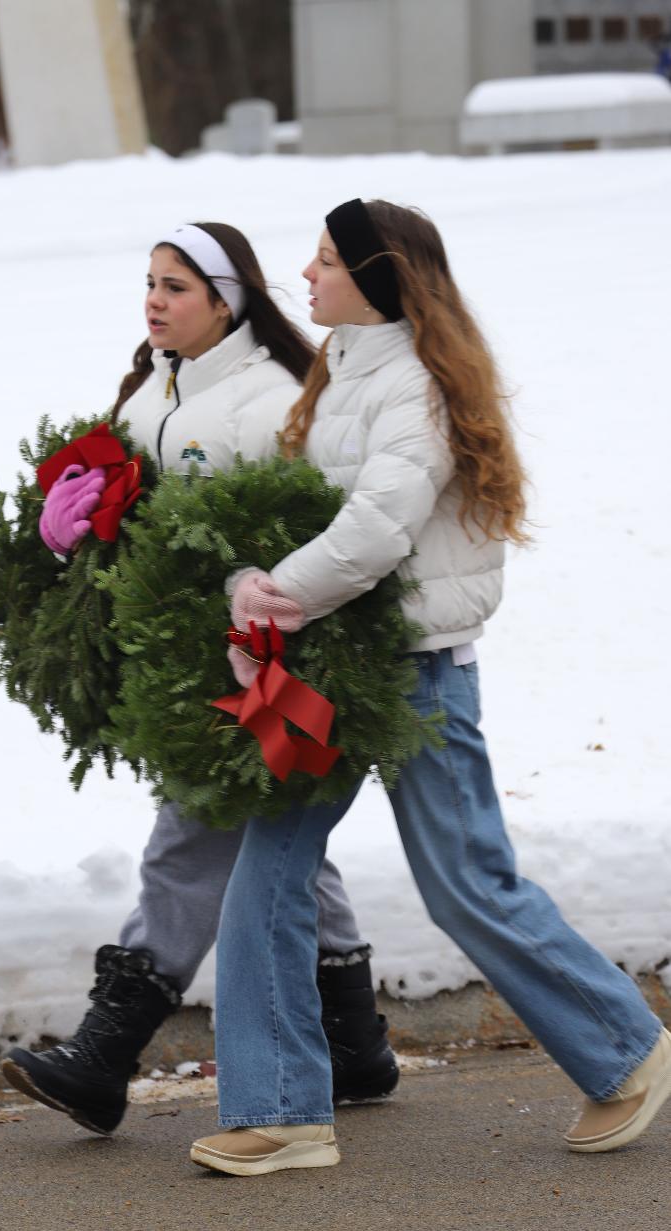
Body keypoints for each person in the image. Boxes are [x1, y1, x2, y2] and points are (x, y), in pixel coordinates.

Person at [189, 199, 671, 1176]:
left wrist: (276, 598)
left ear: (378, 277)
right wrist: (251, 579)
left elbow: (379, 525)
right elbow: (307, 510)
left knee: (466, 885)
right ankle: (281, 1109)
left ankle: (628, 1051)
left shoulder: (414, 384)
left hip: (416, 672)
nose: (307, 274)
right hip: (330, 662)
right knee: (267, 874)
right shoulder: (341, 371)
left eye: (328, 259)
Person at [2, 222, 399, 1135]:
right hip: (180, 661)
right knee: (282, 843)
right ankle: (356, 1045)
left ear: (227, 300)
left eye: (176, 286)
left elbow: (299, 527)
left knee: (190, 838)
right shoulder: (153, 389)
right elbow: (138, 513)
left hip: (260, 658)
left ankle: (104, 1055)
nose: (155, 301)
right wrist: (82, 518)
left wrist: (248, 603)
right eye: (150, 282)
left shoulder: (272, 401)